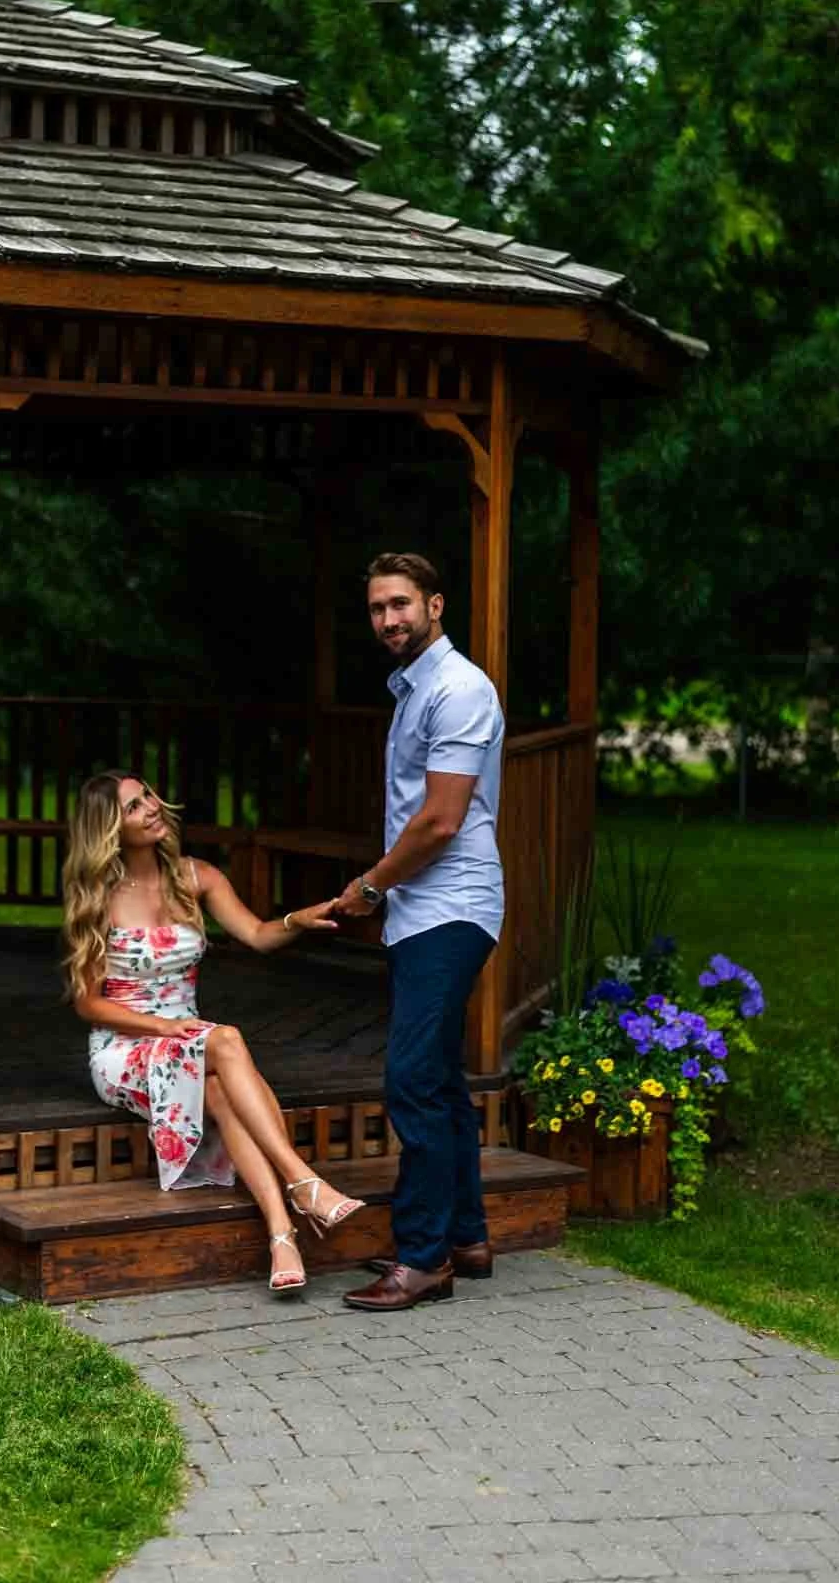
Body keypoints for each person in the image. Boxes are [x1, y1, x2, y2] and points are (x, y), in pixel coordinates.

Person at [63, 769, 365, 1294]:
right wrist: (163, 1026)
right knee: (224, 1039)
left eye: (148, 795)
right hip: (126, 1048)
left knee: (222, 1086)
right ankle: (303, 1181)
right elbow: (88, 1004)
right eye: (133, 807)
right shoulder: (97, 896)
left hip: (188, 1039)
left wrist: (296, 921)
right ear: (110, 828)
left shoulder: (196, 877)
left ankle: (282, 1233)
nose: (151, 807)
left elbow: (257, 934)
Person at [330, 551, 505, 1313]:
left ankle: (422, 1259)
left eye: (400, 604)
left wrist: (370, 886)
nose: (388, 619)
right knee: (435, 1077)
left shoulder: (458, 689)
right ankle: (465, 1237)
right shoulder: (415, 688)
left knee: (408, 1079)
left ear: (435, 605)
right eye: (377, 608)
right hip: (421, 910)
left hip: (451, 905)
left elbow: (439, 821)